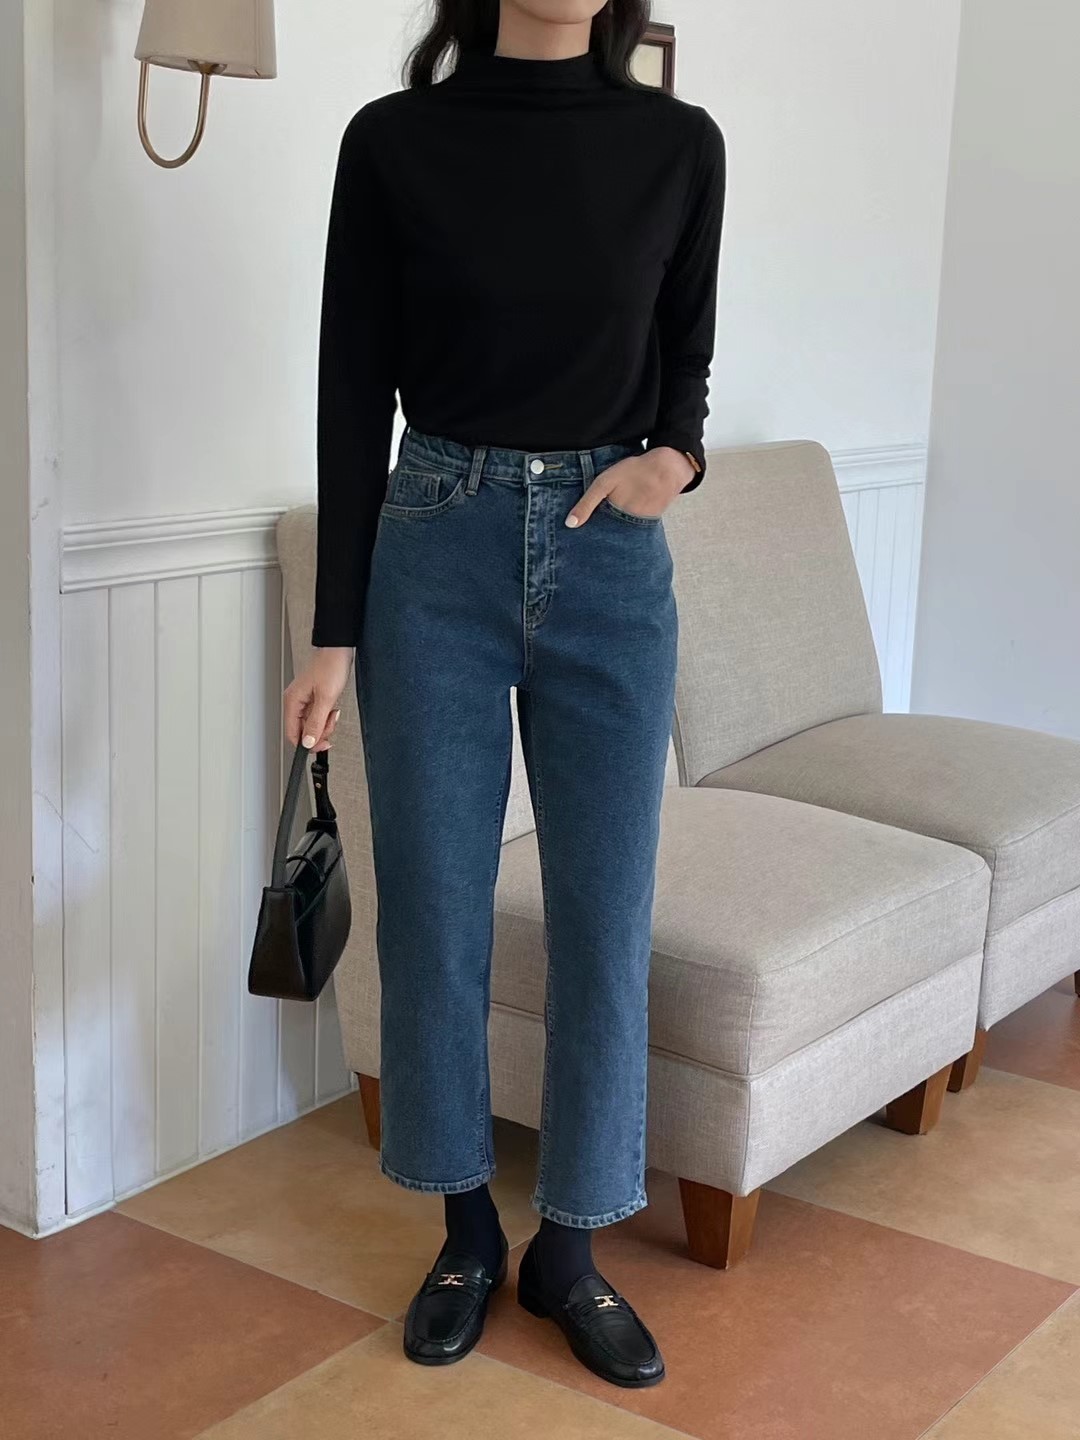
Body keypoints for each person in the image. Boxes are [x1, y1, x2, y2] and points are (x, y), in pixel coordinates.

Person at [284, 0, 725, 1390]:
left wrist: (675, 463)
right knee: (433, 907)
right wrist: (334, 634)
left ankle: (572, 1249)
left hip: (611, 563)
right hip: (436, 549)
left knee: (605, 913)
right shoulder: (395, 141)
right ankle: (467, 1233)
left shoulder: (679, 144)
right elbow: (351, 388)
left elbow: (686, 359)